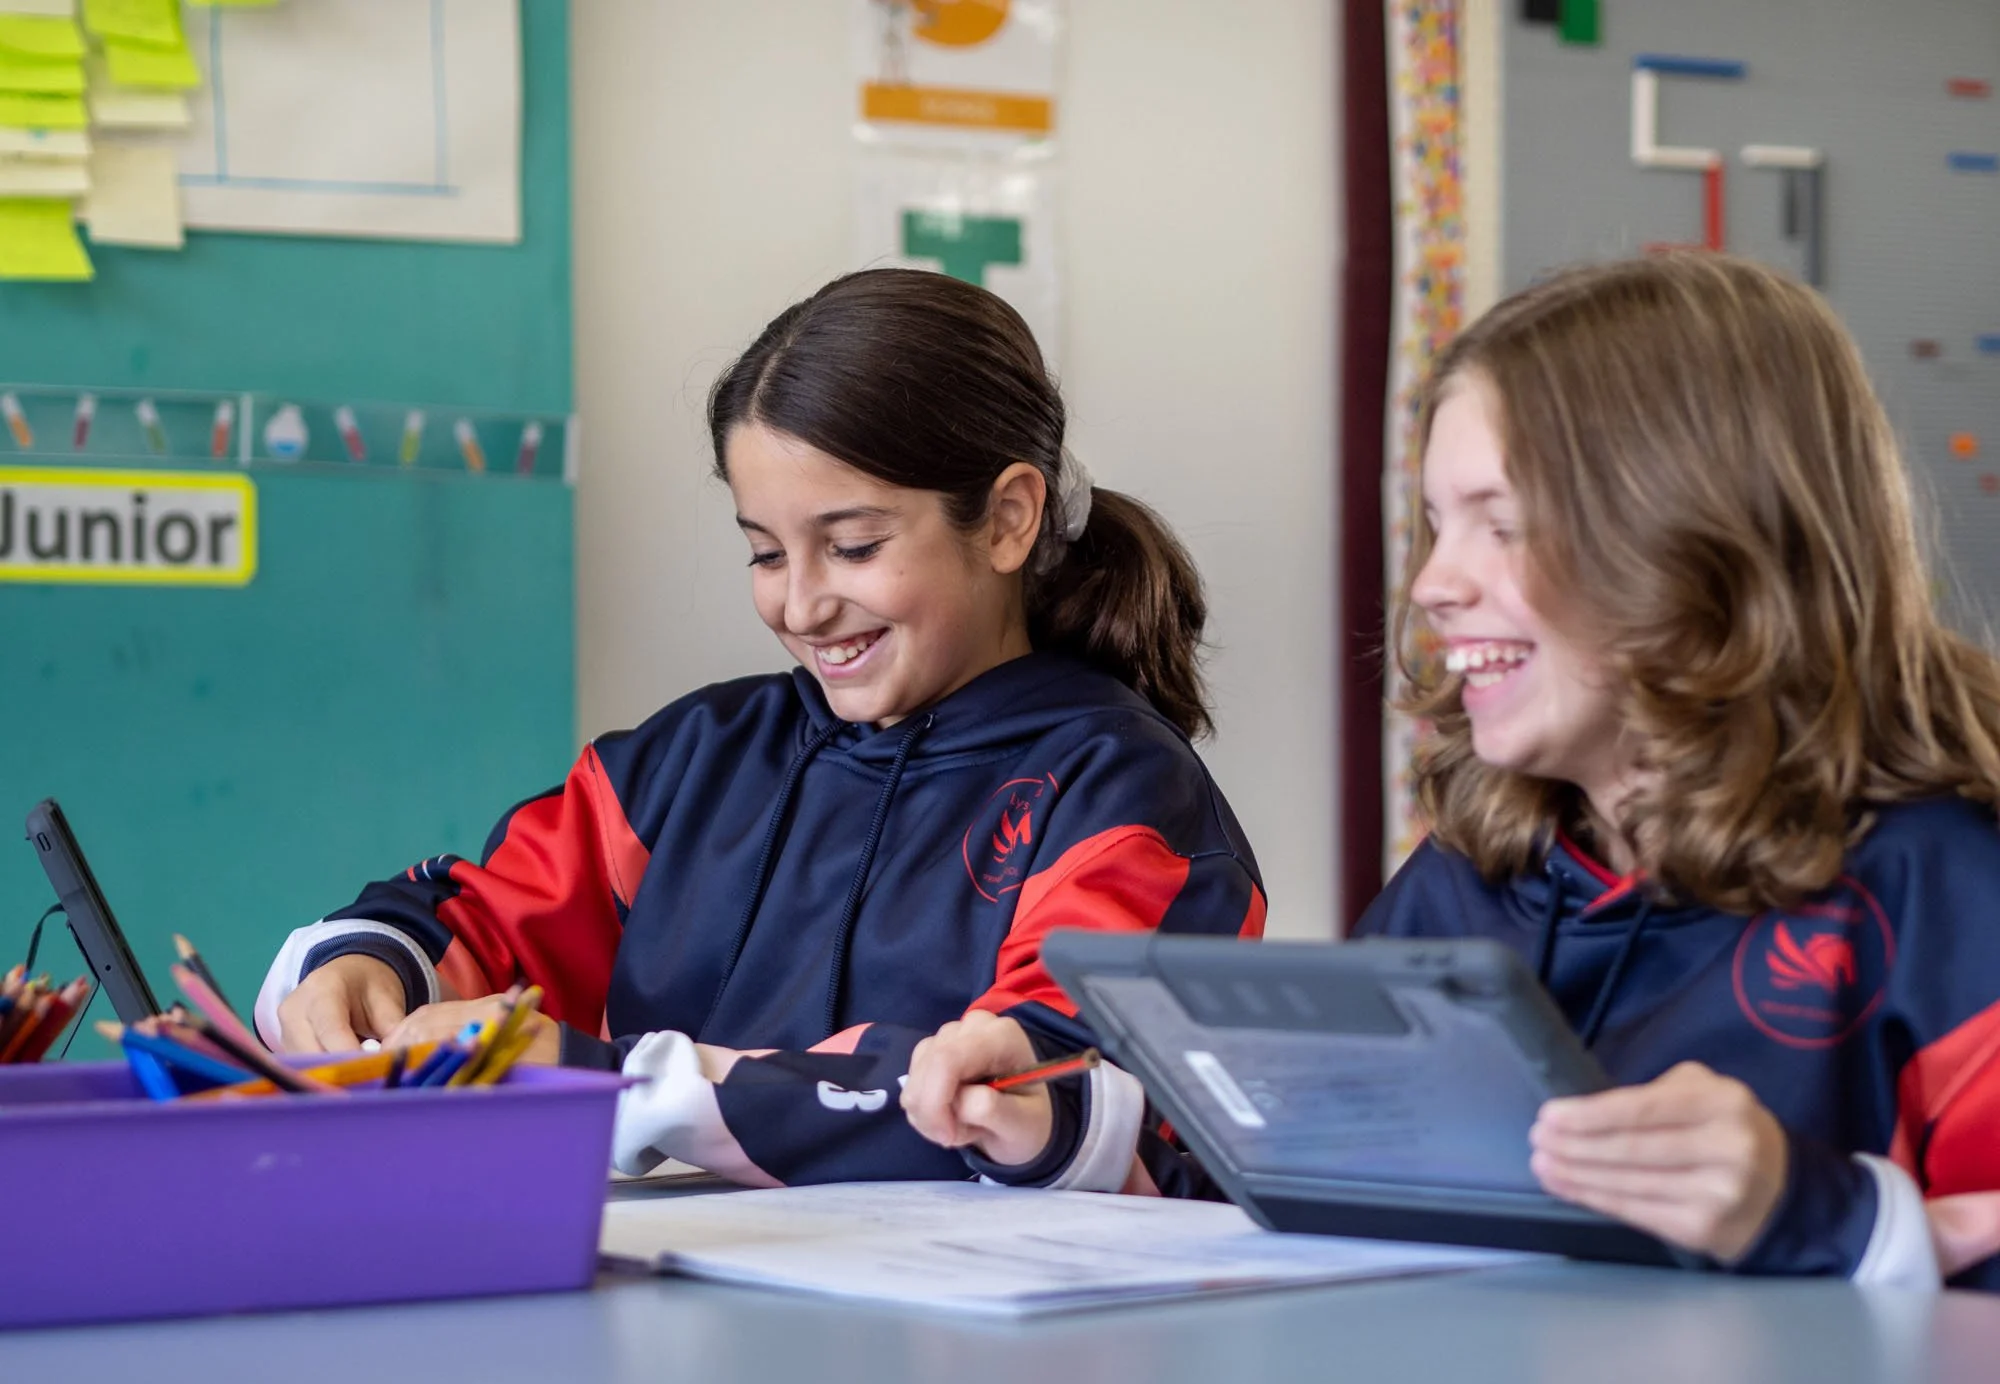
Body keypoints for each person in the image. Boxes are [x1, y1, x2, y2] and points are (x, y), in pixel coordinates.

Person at [903, 252, 2000, 1288]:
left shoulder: (1945, 881)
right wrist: (1059, 1122)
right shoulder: (1481, 866)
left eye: (1500, 524)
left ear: (1704, 544)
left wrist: (1817, 1214)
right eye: (1433, 525)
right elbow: (1296, 1191)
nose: (1430, 585)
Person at [251, 268, 1264, 1187]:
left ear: (1005, 519)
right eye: (765, 555)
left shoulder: (1118, 793)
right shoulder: (689, 763)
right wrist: (368, 970)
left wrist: (623, 1084)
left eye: (853, 546)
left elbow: (1034, 1097)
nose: (803, 605)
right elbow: (478, 917)